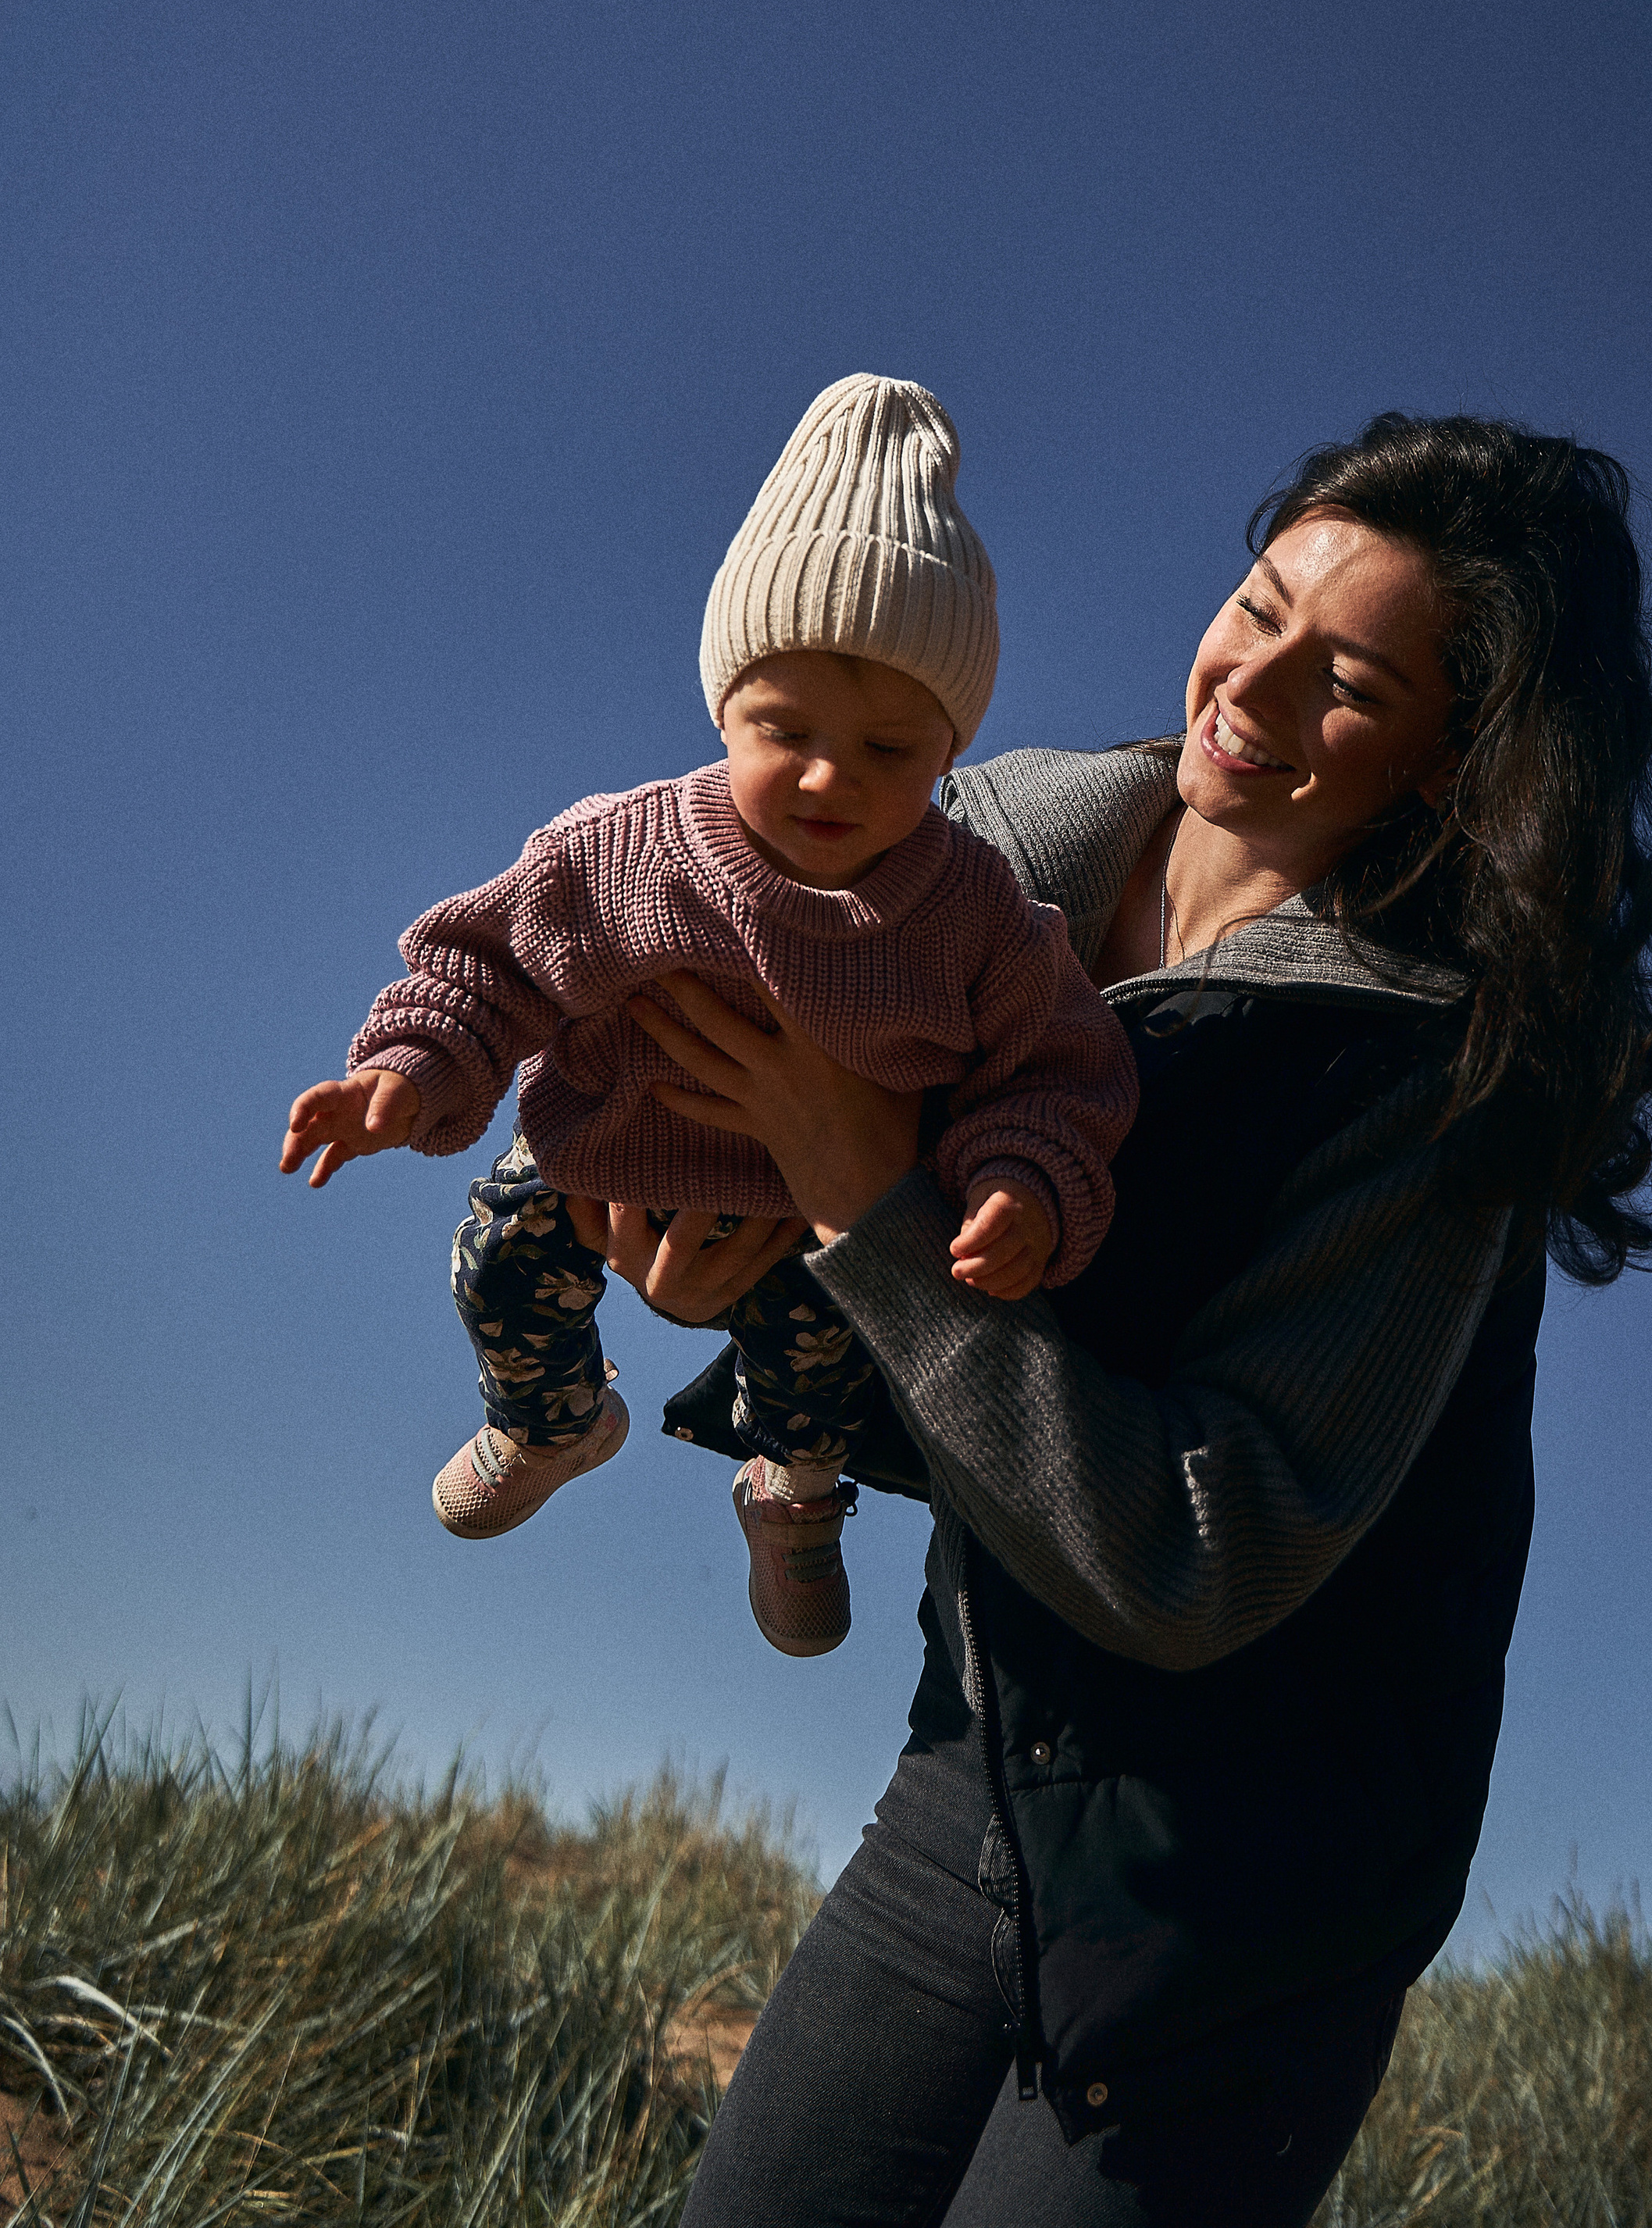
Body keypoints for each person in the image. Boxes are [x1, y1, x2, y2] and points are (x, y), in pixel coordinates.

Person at [598, 411, 1652, 2228]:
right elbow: (851, 1185)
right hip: (973, 1778)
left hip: (1247, 1902)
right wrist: (721, 1220)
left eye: (1345, 679)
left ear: (1450, 764)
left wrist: (857, 1208)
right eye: (1255, 606)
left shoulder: (1431, 1082)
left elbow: (1195, 1552)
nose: (1249, 688)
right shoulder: (987, 855)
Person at [277, 374, 1137, 1655]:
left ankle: (792, 1499)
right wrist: (407, 1067)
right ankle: (551, 1415)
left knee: (817, 1358)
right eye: (784, 728)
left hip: (802, 1213)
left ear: (953, 750)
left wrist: (1027, 1181)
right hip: (593, 1151)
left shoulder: (976, 917)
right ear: (722, 706)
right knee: (502, 1260)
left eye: (889, 750)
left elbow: (1058, 1065)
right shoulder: (627, 850)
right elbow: (491, 963)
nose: (829, 775)